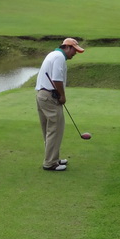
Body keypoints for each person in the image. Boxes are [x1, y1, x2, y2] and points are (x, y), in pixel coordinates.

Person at [35, 38, 85, 171]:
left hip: (42, 95)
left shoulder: (53, 54)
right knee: (55, 129)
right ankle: (50, 163)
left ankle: (53, 158)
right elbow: (56, 79)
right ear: (67, 47)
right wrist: (62, 95)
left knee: (49, 130)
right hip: (50, 97)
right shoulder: (59, 57)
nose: (75, 53)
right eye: (74, 50)